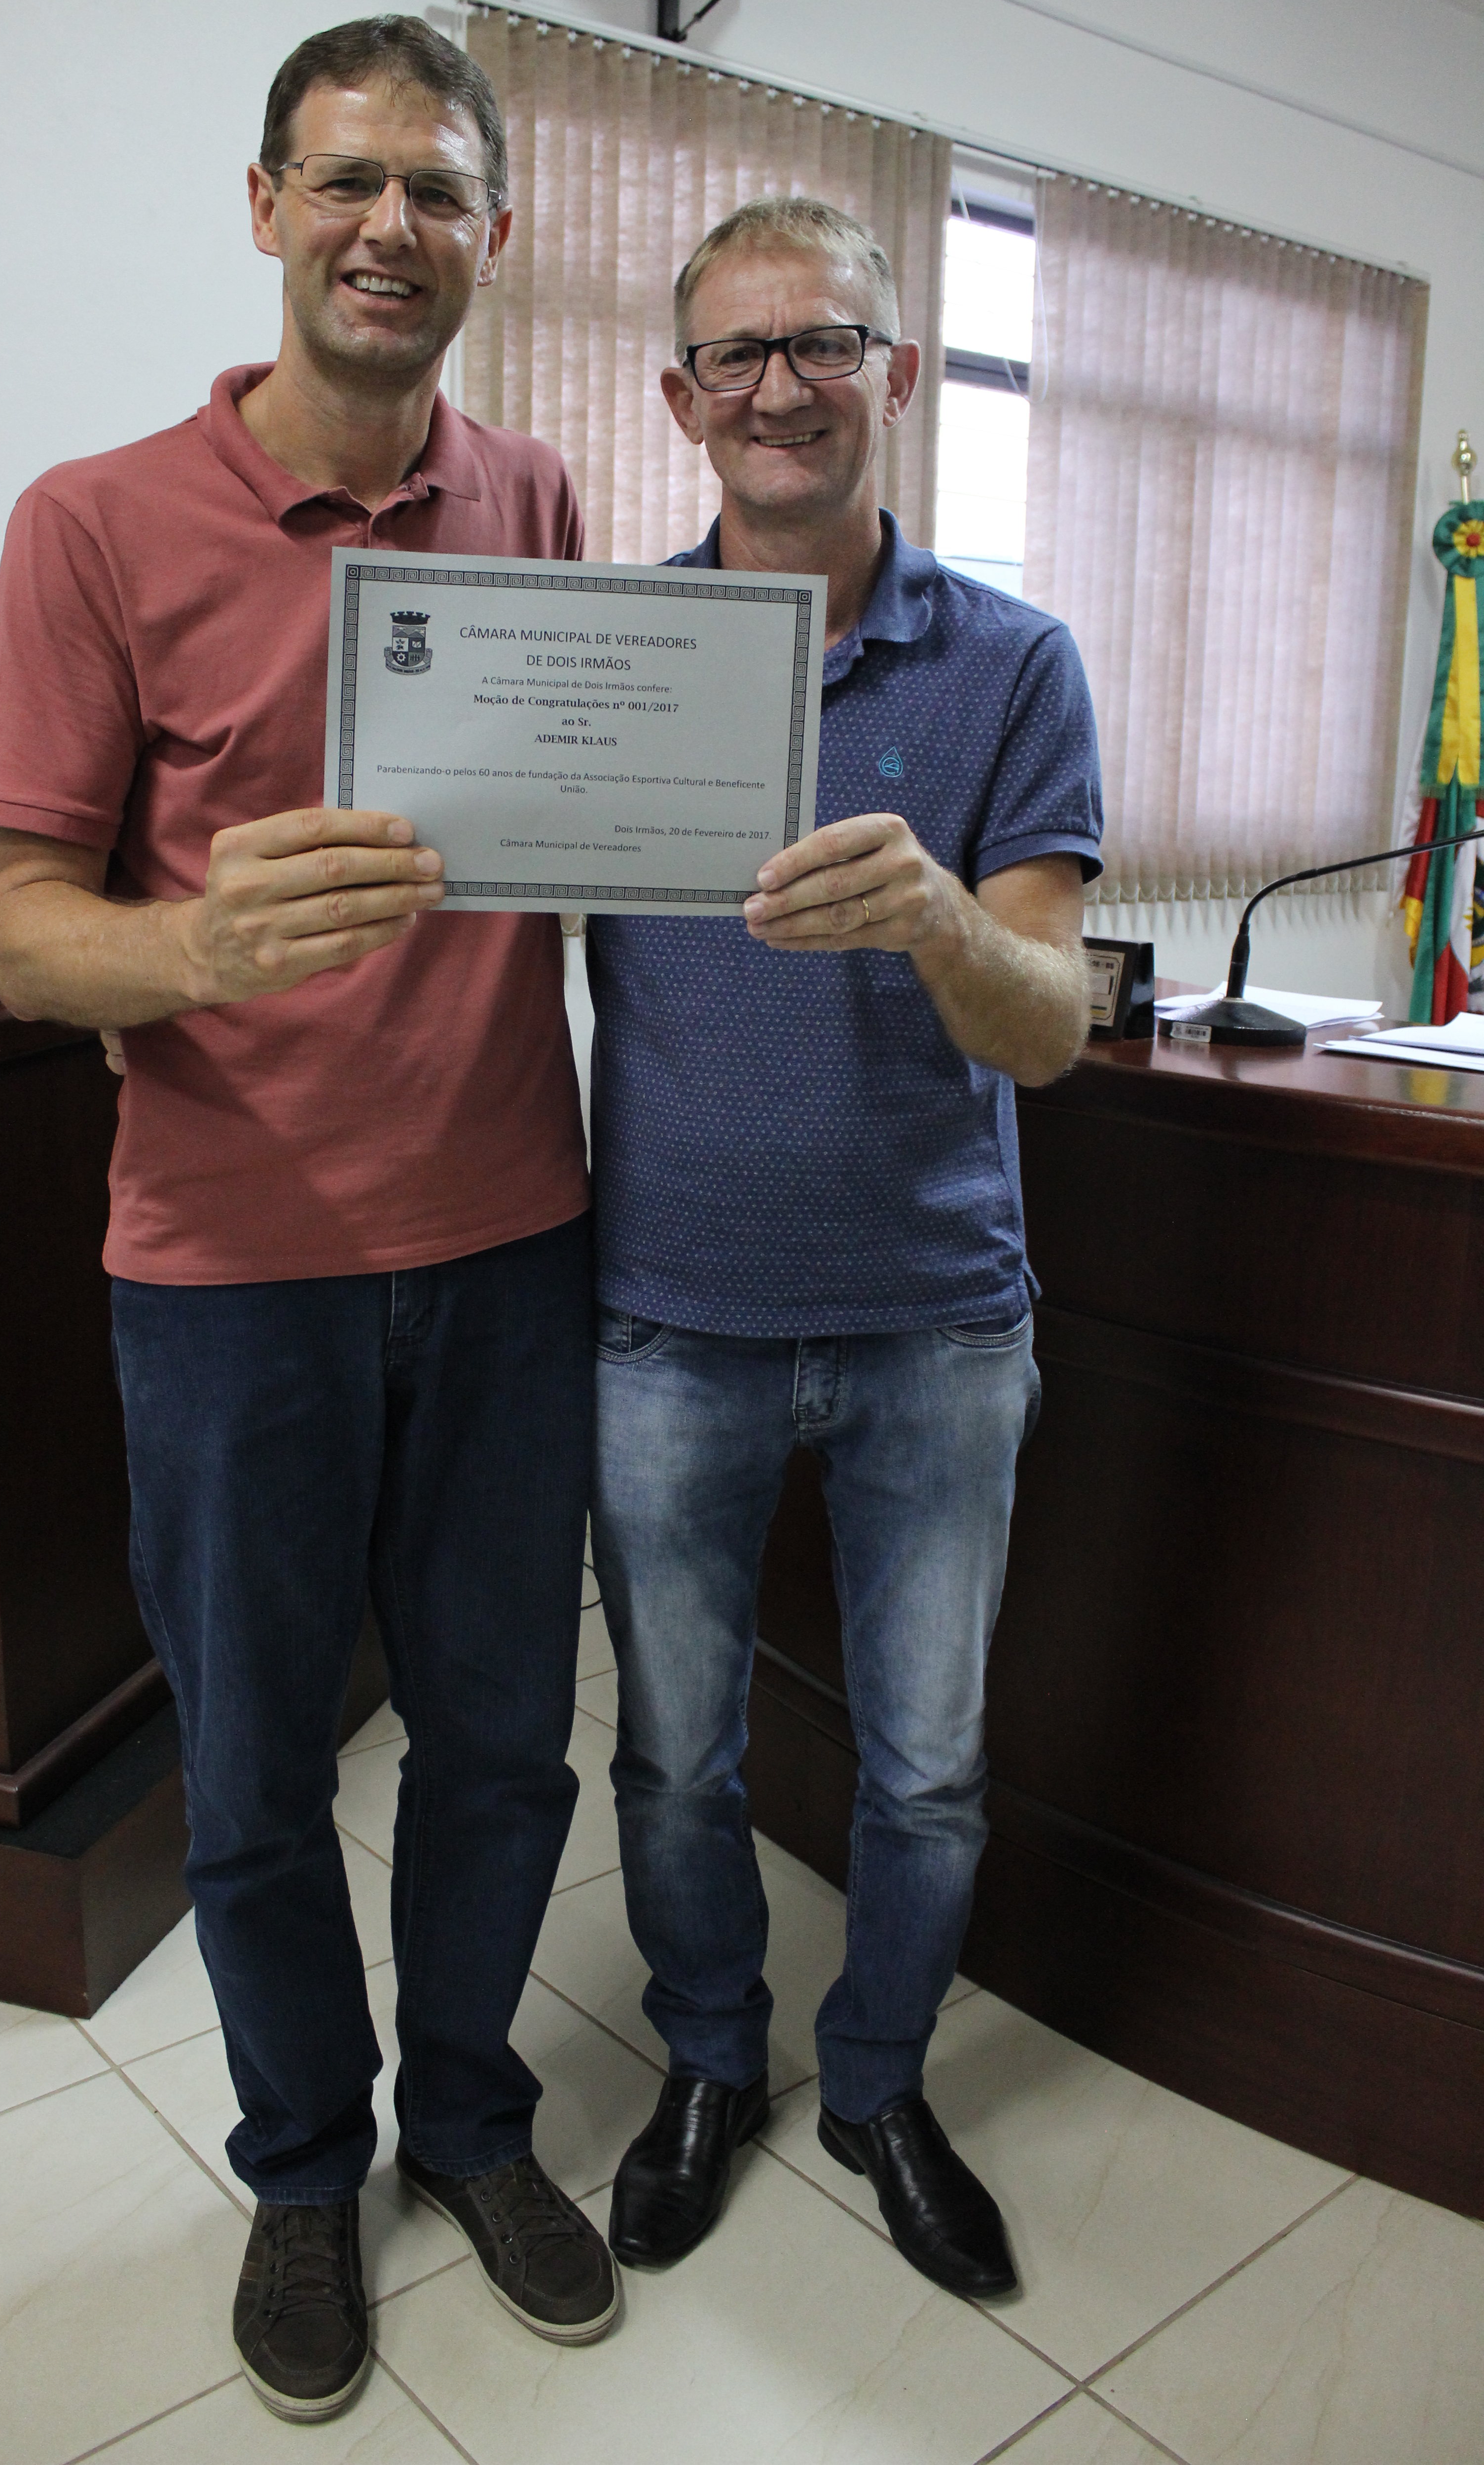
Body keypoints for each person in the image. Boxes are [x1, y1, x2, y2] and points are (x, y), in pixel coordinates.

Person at [0, 17, 617, 2426]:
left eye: (438, 193)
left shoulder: (542, 498)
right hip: (226, 1276)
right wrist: (194, 950)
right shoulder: (93, 520)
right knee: (247, 1773)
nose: (389, 229)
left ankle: (468, 2124)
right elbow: (27, 931)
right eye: (346, 184)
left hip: (510, 1245)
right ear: (266, 211)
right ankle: (302, 2173)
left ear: (493, 236)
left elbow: (588, 835)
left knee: (498, 1750)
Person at [588, 197, 1103, 2296]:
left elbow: (1052, 1025)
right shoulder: (614, 659)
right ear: (681, 398)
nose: (780, 382)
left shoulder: (1012, 665)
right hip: (665, 1323)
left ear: (898, 374)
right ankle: (711, 2057)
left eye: (827, 342)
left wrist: (938, 919)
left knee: (930, 1768)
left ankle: (879, 2081)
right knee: (672, 1758)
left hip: (935, 1329)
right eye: (737, 352)